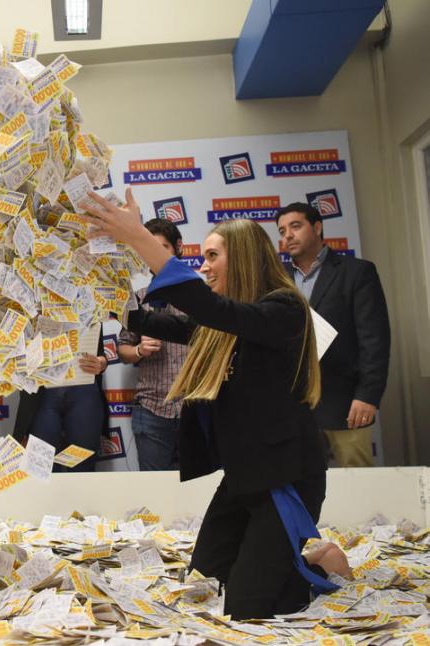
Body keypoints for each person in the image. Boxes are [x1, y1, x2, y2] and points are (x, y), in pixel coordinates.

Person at [84, 188, 330, 620]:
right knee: (207, 579)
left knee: (247, 606)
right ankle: (281, 559)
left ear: (244, 258)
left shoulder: (283, 308)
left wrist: (139, 236)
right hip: (242, 477)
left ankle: (319, 562)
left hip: (285, 480)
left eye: (213, 256)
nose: (204, 266)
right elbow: (153, 320)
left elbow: (207, 305)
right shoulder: (223, 322)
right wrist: (94, 290)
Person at [277, 203, 390, 467]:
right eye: (282, 231)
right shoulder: (277, 278)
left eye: (295, 226)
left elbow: (374, 340)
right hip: (291, 404)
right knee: (300, 484)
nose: (288, 236)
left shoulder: (357, 272)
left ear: (317, 227)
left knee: (357, 482)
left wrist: (367, 396)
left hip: (344, 401)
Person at [118, 218, 190, 471]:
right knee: (154, 491)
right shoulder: (138, 300)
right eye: (147, 250)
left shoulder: (202, 298)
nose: (154, 256)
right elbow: (123, 350)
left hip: (195, 408)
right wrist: (138, 350)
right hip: (151, 409)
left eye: (162, 248)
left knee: (200, 491)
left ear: (178, 247)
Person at [13, 327, 108, 471]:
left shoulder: (90, 306)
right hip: (42, 394)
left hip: (83, 388)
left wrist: (101, 362)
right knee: (41, 467)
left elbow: (99, 352)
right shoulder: (31, 308)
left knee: (82, 466)